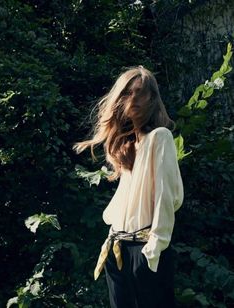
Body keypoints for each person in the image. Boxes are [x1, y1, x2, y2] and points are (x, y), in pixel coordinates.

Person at [73, 65, 184, 308]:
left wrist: (153, 249)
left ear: (152, 99)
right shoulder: (127, 147)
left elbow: (167, 196)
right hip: (116, 248)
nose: (132, 99)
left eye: (139, 92)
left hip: (145, 250)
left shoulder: (160, 137)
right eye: (126, 93)